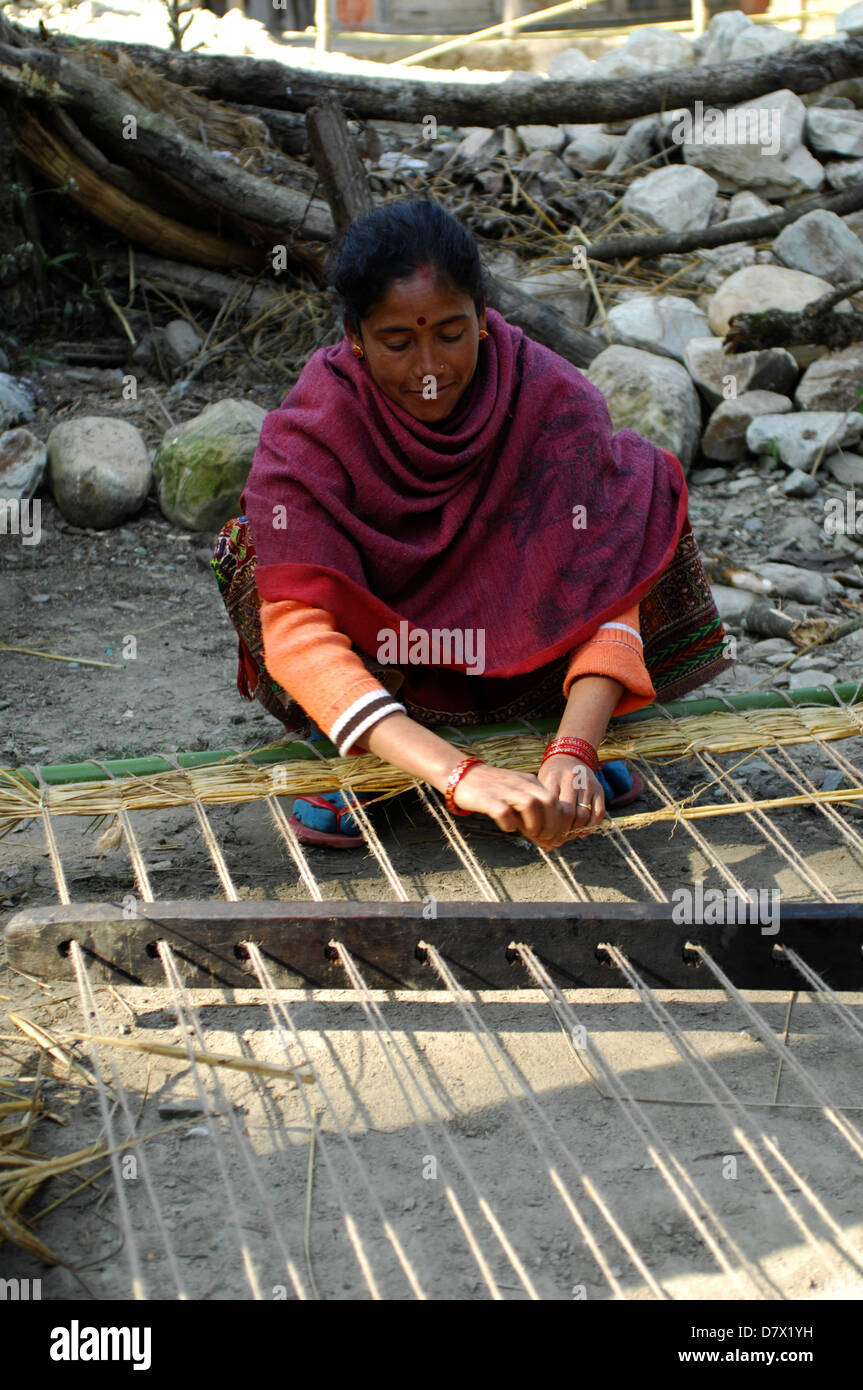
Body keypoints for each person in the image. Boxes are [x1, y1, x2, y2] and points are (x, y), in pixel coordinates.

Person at [213, 200, 731, 852]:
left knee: (639, 496)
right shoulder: (311, 433)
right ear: (354, 337)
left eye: (451, 334)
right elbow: (298, 637)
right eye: (397, 344)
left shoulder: (548, 398)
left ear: (482, 318)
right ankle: (371, 753)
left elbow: (609, 584)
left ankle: (558, 726)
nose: (429, 371)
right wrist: (459, 776)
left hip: (522, 667)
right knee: (258, 548)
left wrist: (574, 748)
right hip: (398, 671)